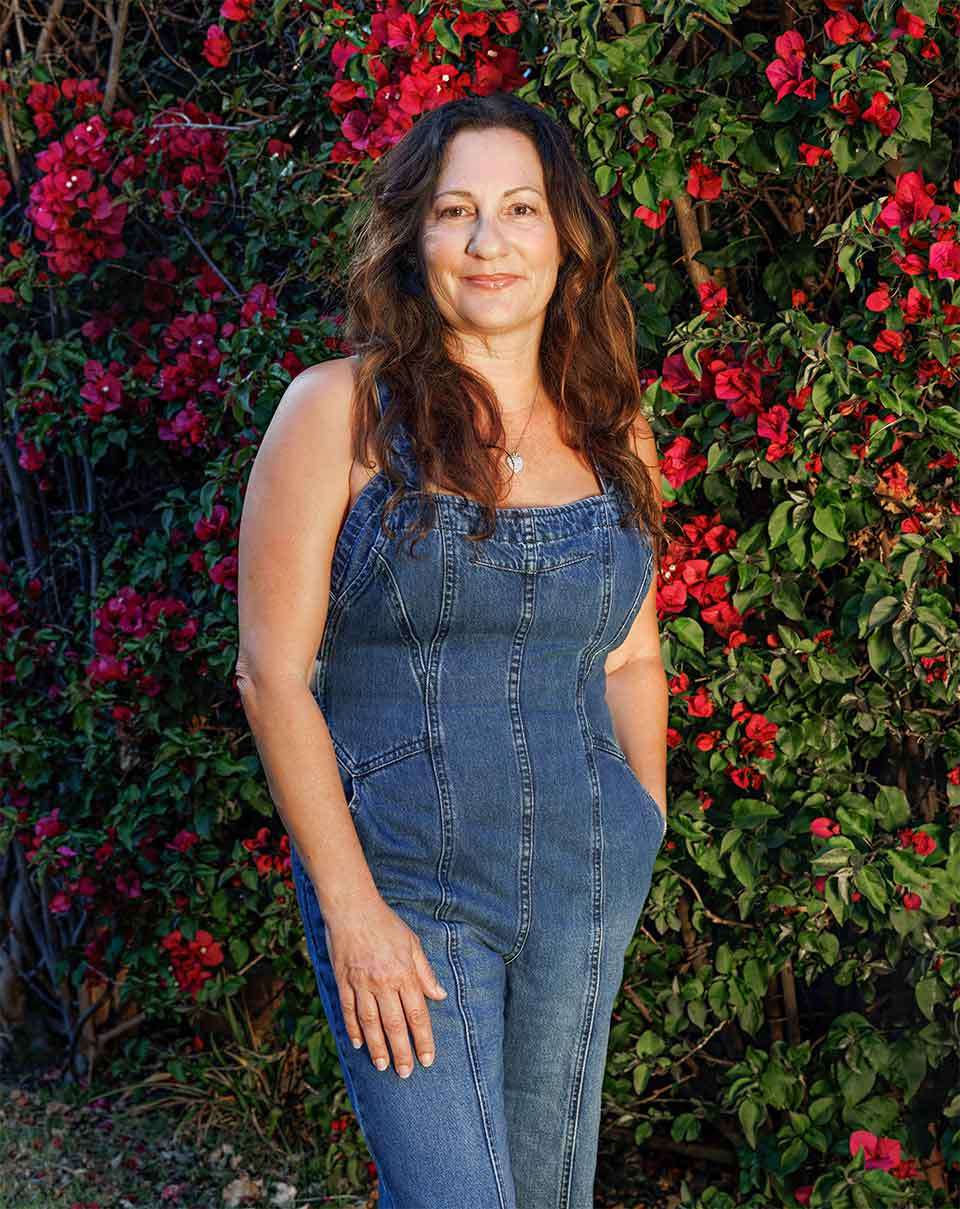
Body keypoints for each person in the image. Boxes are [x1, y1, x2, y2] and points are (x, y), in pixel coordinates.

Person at [236, 92, 670, 1209]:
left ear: (566, 238)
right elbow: (273, 677)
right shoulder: (336, 413)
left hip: (583, 879)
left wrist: (643, 825)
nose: (488, 241)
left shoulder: (614, 426)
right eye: (454, 210)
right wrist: (352, 911)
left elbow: (631, 655)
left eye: (519, 208)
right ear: (413, 237)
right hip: (404, 883)